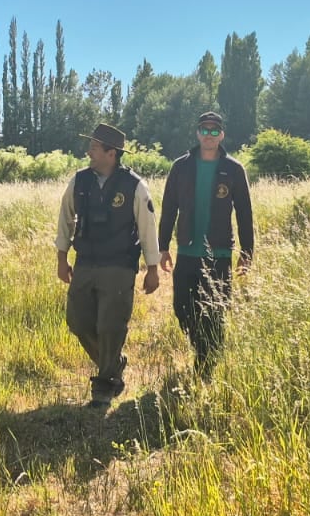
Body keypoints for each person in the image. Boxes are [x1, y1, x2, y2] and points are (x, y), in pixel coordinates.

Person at [55, 122, 161, 408]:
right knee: (77, 320)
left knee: (110, 325)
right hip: (86, 262)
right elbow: (65, 219)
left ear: (111, 153)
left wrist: (152, 268)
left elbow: (147, 227)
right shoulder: (79, 181)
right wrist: (62, 258)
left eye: (94, 146)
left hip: (119, 265)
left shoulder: (134, 186)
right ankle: (114, 362)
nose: (89, 150)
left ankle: (104, 386)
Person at [159, 111, 254, 378]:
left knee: (215, 311)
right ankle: (203, 348)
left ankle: (205, 368)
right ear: (198, 133)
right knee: (182, 308)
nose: (209, 135)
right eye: (205, 130)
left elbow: (245, 213)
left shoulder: (234, 169)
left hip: (219, 253)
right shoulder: (181, 166)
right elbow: (169, 208)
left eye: (215, 131)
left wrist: (247, 253)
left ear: (221, 135)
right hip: (187, 251)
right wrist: (163, 245)